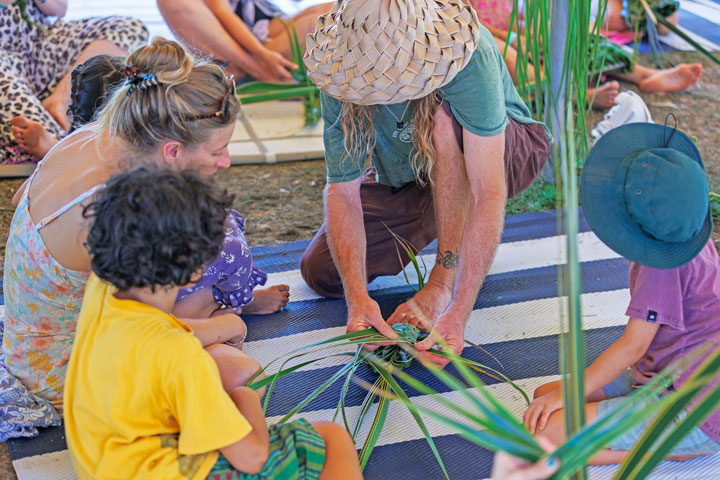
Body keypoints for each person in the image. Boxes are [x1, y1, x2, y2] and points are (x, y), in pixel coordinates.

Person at [1, 38, 260, 413]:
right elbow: (142, 332)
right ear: (171, 150)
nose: (226, 162)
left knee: (208, 286)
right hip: (65, 373)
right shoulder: (126, 205)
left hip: (32, 341)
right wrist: (231, 328)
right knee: (239, 369)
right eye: (218, 151)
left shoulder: (95, 135)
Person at [64, 167, 362, 480]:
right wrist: (244, 400)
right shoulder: (181, 356)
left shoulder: (101, 290)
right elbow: (252, 458)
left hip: (99, 460)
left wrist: (229, 325)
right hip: (160, 471)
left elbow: (169, 332)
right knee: (330, 437)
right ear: (196, 270)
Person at [300, 0, 552, 367]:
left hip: (500, 154)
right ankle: (450, 212)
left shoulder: (467, 50)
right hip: (415, 172)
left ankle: (445, 275)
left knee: (443, 125)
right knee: (322, 272)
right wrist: (357, 301)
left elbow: (488, 193)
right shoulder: (339, 66)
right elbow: (342, 191)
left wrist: (455, 307)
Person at [523, 120, 720, 463]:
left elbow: (633, 345)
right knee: (542, 399)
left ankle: (665, 448)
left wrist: (570, 396)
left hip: (695, 409)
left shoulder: (660, 265)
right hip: (665, 375)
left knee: (544, 434)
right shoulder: (687, 230)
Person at [472, 0, 702, 110]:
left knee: (559, 28)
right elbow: (469, 24)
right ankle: (574, 95)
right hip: (479, 34)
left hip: (511, 25)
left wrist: (528, 31)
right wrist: (512, 37)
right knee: (493, 47)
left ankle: (641, 74)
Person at [0, 0, 148, 164]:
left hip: (37, 41)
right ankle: (58, 149)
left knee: (128, 27)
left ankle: (60, 99)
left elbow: (59, 9)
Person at [158, 0, 332, 82]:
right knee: (318, 21)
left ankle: (246, 69)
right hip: (248, 46)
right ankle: (256, 70)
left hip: (267, 30)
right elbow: (223, 12)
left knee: (333, 9)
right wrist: (262, 54)